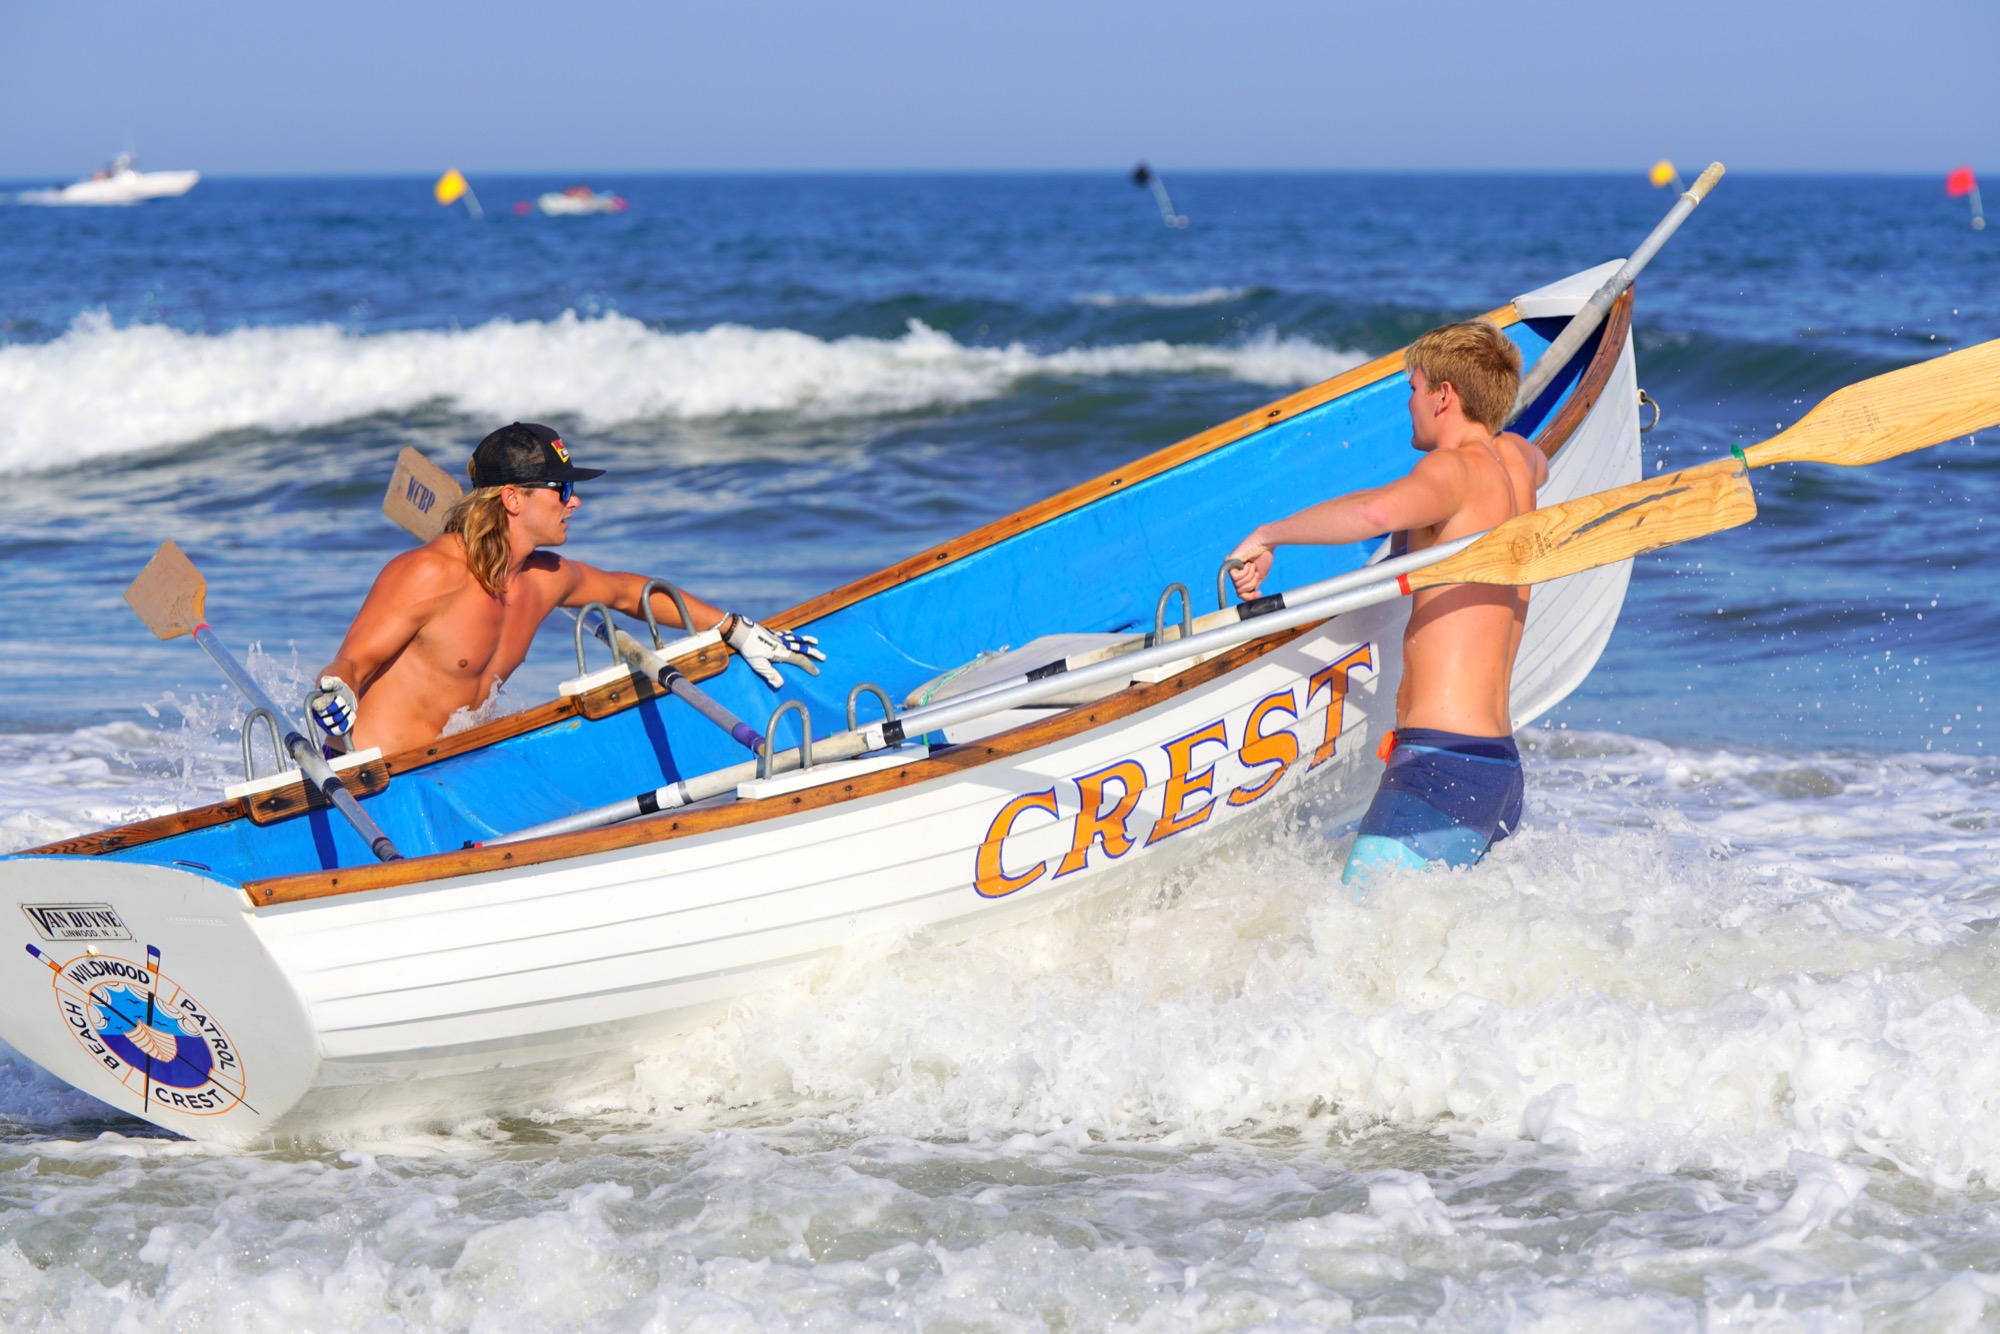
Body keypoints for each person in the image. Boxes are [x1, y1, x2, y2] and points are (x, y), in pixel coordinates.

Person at [1225, 320, 1547, 892]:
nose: (1410, 403)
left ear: (1444, 395)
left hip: (1440, 764)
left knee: (1354, 943)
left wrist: (1270, 534)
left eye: (1414, 388)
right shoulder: (1518, 462)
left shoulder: (1453, 470)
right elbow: (1536, 458)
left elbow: (1376, 513)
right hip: (1497, 765)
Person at [307, 422, 824, 757]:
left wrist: (733, 629)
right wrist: (336, 693)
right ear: (513, 498)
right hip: (370, 783)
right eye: (564, 490)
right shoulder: (427, 573)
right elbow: (350, 663)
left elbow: (628, 592)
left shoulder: (545, 578)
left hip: (456, 769)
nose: (574, 503)